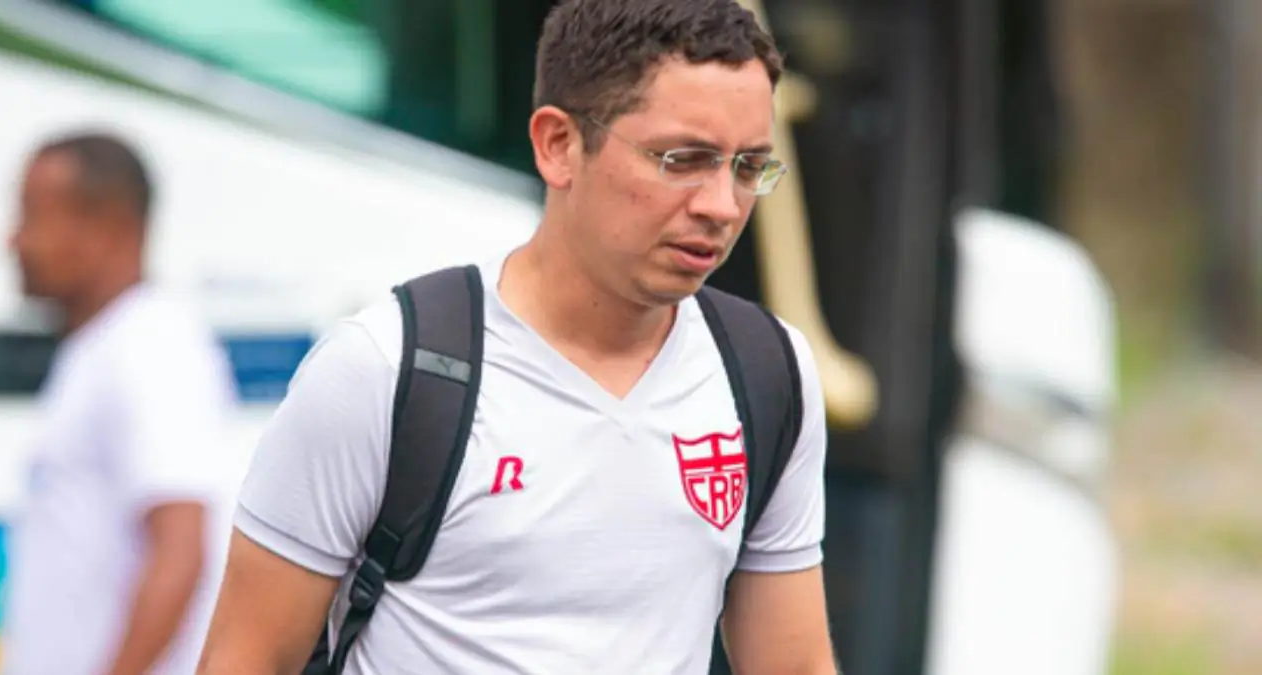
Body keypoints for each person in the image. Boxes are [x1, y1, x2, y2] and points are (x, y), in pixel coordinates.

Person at [197, 0, 838, 673]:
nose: (722, 205)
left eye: (747, 168)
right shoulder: (387, 368)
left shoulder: (768, 371)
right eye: (682, 159)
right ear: (558, 145)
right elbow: (245, 659)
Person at [2, 132, 237, 675]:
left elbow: (179, 552)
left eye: (32, 216)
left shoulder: (152, 345)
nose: (13, 241)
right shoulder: (101, 346)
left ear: (106, 227)